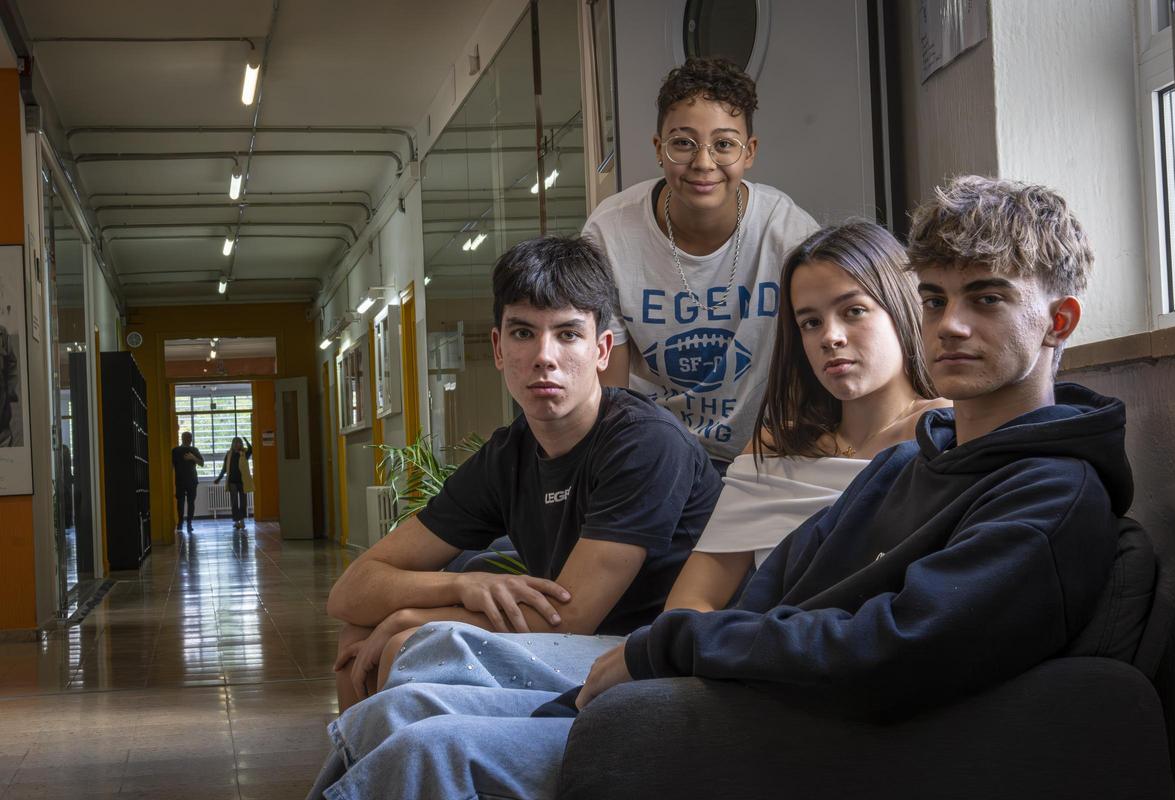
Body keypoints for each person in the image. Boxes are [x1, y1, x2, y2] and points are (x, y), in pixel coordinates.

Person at [309, 176, 1132, 800]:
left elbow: (889, 651)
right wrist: (663, 655)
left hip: (767, 722)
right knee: (392, 717)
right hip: (718, 685)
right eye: (936, 298)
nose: (950, 325)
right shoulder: (926, 458)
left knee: (427, 748)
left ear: (1058, 323)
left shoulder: (1050, 496)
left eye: (986, 301)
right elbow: (780, 586)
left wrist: (666, 651)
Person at [324, 235, 722, 713]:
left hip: (638, 654)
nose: (544, 356)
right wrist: (459, 586)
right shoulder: (508, 454)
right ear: (498, 347)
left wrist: (410, 617)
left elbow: (572, 615)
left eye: (568, 334)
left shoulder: (645, 442)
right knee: (358, 637)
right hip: (570, 641)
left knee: (409, 644)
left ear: (602, 349)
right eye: (522, 333)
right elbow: (350, 592)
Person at [665, 220, 946, 613]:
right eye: (810, 322)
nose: (830, 337)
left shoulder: (945, 432)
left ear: (902, 308)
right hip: (752, 657)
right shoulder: (774, 445)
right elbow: (691, 602)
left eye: (854, 311)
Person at [583, 56, 819, 470]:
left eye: (724, 144)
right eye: (683, 143)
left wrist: (773, 452)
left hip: (766, 451)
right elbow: (609, 389)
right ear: (659, 148)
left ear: (750, 152)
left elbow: (812, 363)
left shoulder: (788, 232)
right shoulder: (609, 233)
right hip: (653, 455)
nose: (703, 163)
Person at [214, 436, 252, 530]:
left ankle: (242, 521)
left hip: (242, 482)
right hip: (232, 482)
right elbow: (224, 469)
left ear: (241, 444)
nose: (237, 444)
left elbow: (251, 449)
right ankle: (236, 521)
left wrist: (246, 441)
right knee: (234, 502)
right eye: (235, 443)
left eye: (239, 442)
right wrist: (219, 478)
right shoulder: (229, 454)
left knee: (243, 502)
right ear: (232, 444)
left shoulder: (244, 454)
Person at [171, 431, 204, 532]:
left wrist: (193, 458)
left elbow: (202, 463)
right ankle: (181, 523)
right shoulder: (176, 450)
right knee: (181, 502)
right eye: (187, 438)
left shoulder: (194, 450)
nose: (189, 440)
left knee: (190, 502)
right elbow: (171, 466)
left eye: (190, 438)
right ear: (182, 438)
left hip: (191, 480)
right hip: (181, 480)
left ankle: (188, 523)